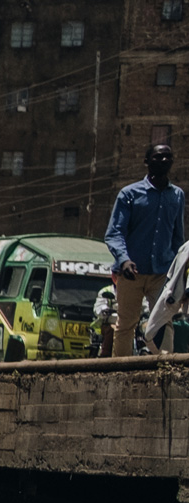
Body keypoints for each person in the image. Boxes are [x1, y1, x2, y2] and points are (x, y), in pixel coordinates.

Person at [105, 142, 182, 355]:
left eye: (168, 157)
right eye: (158, 157)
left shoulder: (177, 196)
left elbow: (178, 239)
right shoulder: (129, 194)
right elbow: (114, 233)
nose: (164, 161)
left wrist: (181, 273)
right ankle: (120, 371)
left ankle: (166, 367)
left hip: (162, 273)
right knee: (127, 323)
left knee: (164, 320)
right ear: (147, 162)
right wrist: (124, 260)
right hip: (132, 272)